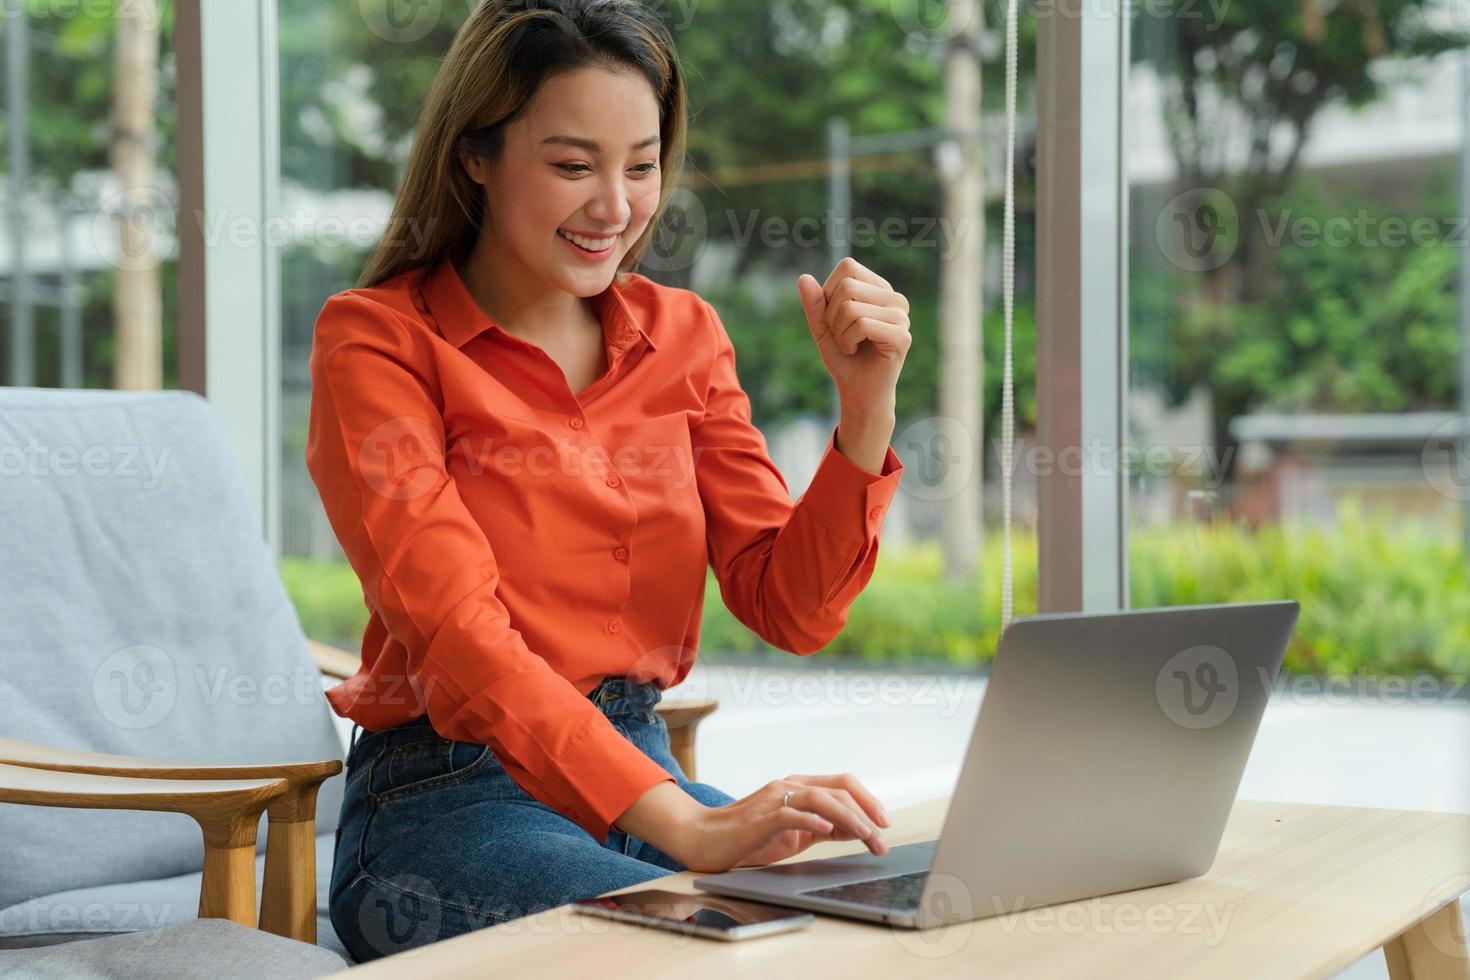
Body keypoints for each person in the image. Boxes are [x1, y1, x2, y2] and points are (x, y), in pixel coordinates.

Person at [305, 0, 913, 962]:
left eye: (641, 165)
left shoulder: (685, 335)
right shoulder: (378, 342)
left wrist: (865, 414)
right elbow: (461, 636)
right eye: (573, 165)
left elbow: (791, 608)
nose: (617, 207)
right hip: (440, 804)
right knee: (702, 945)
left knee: (881, 916)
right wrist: (688, 829)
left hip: (643, 780)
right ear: (476, 154)